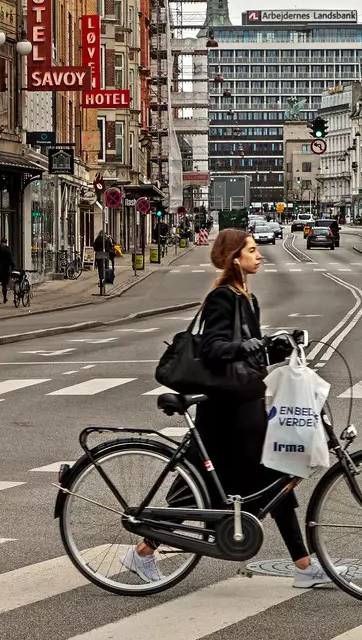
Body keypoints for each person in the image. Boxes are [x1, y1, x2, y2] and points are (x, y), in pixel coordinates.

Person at [126, 229, 329, 590]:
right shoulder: (223, 297)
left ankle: (303, 564)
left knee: (274, 484)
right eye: (252, 250)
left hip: (246, 405)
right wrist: (254, 344)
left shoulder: (247, 298)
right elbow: (217, 348)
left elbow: (247, 349)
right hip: (226, 412)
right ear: (236, 257)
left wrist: (275, 348)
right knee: (201, 489)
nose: (260, 254)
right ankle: (143, 551)